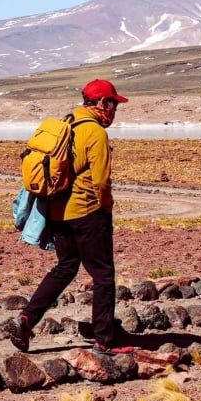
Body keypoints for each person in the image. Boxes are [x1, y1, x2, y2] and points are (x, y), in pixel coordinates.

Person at [10, 79, 135, 355]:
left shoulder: (67, 123)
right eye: (113, 104)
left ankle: (27, 318)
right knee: (103, 275)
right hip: (87, 212)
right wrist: (106, 208)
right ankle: (104, 340)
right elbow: (101, 181)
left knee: (66, 267)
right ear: (102, 103)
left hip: (57, 213)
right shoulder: (96, 133)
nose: (115, 111)